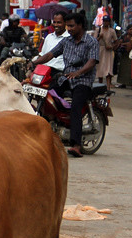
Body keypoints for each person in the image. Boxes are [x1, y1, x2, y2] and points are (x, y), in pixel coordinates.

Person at [30, 11, 99, 158]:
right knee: (47, 96)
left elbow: (92, 62)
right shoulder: (66, 41)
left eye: (72, 26)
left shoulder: (91, 42)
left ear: (80, 26)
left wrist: (78, 73)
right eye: (68, 26)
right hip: (65, 79)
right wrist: (34, 62)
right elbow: (50, 54)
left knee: (76, 107)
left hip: (83, 81)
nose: (69, 29)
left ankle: (76, 145)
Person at [94, 15, 117, 89]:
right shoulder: (98, 30)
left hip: (108, 51)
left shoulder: (112, 31)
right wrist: (99, 37)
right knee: (100, 68)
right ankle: (100, 87)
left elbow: (116, 41)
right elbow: (94, 41)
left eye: (107, 21)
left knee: (108, 68)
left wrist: (112, 46)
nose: (105, 23)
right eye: (104, 21)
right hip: (100, 50)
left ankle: (108, 87)